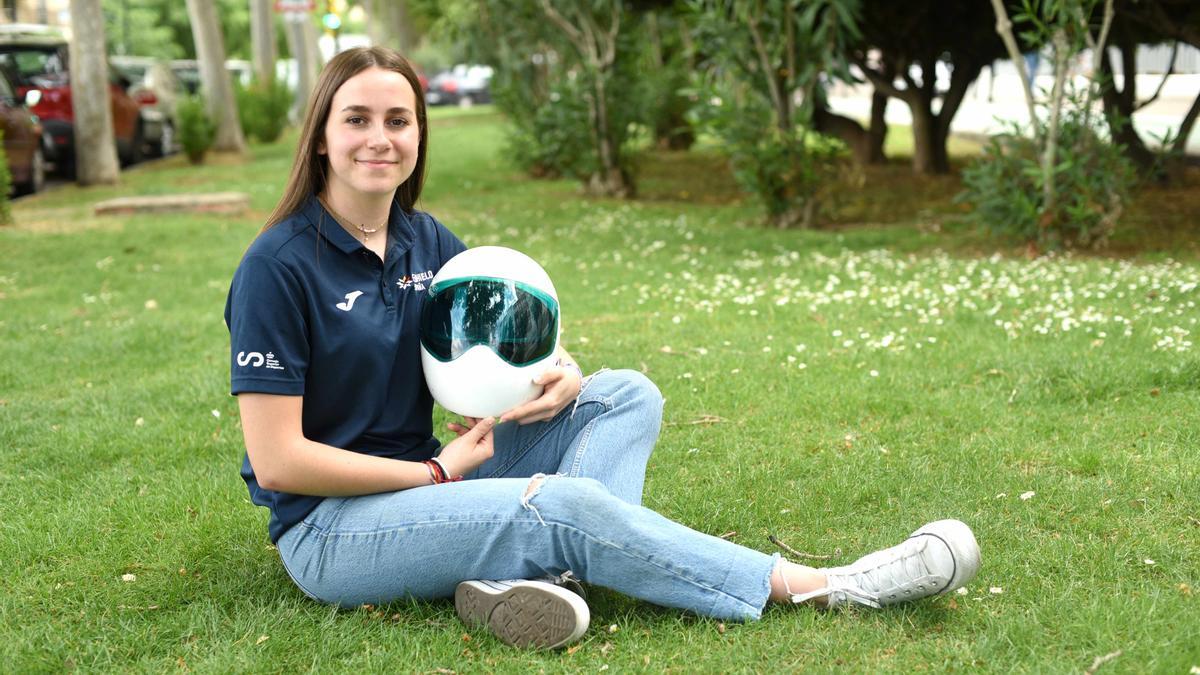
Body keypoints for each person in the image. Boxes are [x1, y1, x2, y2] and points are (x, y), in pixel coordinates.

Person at [225, 46, 982, 651]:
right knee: (566, 505)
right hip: (334, 528)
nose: (380, 138)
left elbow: (501, 344)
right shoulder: (277, 267)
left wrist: (561, 371)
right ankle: (827, 586)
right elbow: (280, 460)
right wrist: (434, 471)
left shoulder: (426, 241)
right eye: (357, 119)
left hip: (435, 482)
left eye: (399, 119)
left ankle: (546, 580)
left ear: (420, 135)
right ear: (321, 136)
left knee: (624, 393)